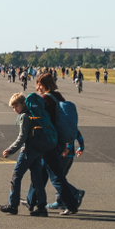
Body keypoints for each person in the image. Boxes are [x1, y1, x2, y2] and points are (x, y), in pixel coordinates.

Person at [34, 73, 82, 215]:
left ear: (45, 85)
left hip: (49, 142)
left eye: (39, 84)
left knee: (55, 176)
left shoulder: (45, 100)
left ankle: (72, 203)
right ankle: (33, 200)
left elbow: (42, 121)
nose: (37, 88)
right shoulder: (59, 97)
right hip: (59, 141)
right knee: (41, 173)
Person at [0, 93, 49, 217]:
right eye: (13, 107)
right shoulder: (34, 114)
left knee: (16, 176)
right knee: (37, 179)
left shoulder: (25, 116)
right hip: (38, 150)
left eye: (16, 106)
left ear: (23, 104)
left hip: (28, 151)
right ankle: (42, 206)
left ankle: (13, 205)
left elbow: (22, 137)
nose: (15, 109)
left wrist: (10, 150)